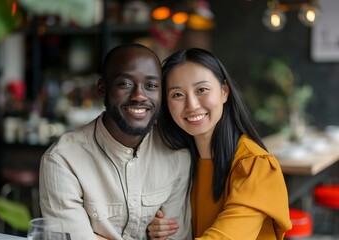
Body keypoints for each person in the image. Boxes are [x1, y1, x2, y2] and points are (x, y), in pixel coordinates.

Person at [39, 43, 192, 240]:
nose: (139, 95)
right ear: (102, 89)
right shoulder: (63, 161)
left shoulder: (177, 154)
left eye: (151, 85)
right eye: (125, 84)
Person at [148, 48, 292, 239]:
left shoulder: (255, 165)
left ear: (224, 91)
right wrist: (156, 227)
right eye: (177, 95)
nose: (192, 105)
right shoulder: (180, 161)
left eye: (201, 90)